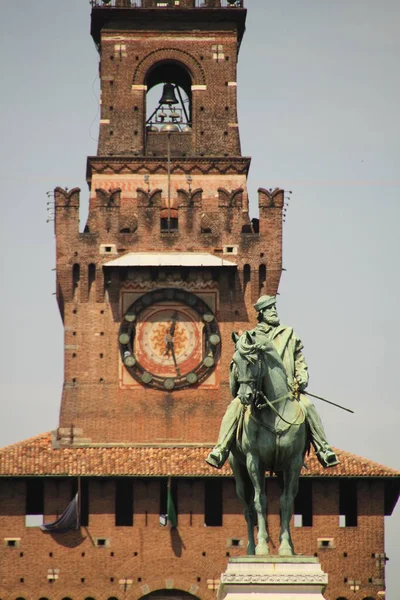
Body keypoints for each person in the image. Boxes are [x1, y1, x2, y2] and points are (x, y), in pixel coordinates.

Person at [206, 295, 339, 469]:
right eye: (269, 309)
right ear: (261, 313)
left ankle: (323, 448)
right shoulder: (250, 338)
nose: (274, 312)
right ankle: (221, 449)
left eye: (274, 308)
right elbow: (238, 362)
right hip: (255, 392)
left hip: (289, 391)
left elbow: (299, 359)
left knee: (308, 406)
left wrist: (302, 376)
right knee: (234, 407)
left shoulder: (288, 334)